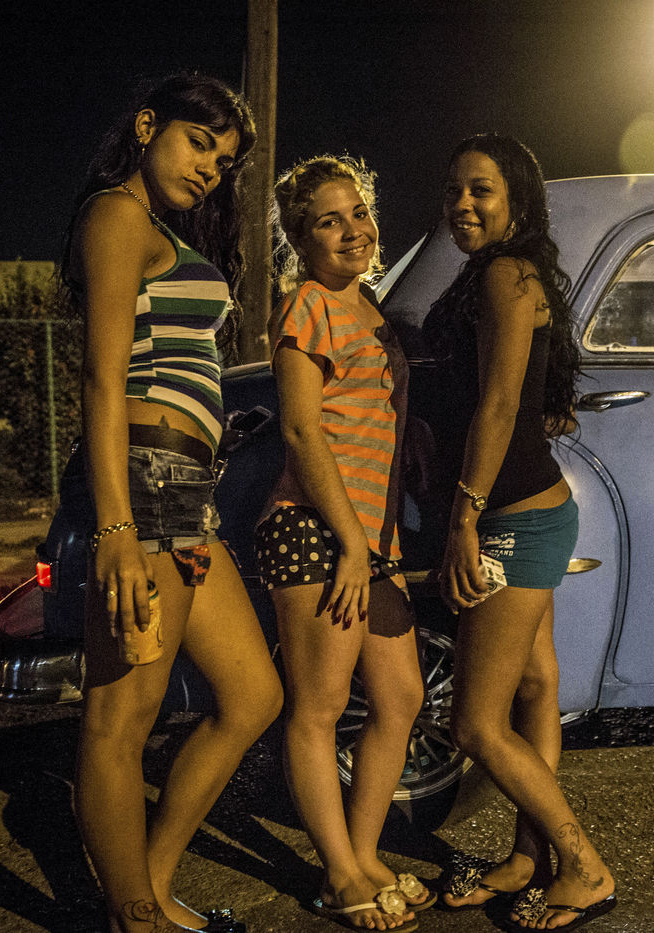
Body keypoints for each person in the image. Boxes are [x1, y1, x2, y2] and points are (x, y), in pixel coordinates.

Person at [60, 73, 283, 933]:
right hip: (145, 486)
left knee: (253, 694)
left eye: (223, 162)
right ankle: (135, 917)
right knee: (119, 721)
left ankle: (148, 887)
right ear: (148, 125)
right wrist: (116, 528)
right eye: (199, 143)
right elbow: (101, 378)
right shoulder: (116, 216)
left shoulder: (158, 229)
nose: (209, 170)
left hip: (186, 492)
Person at [424, 133, 617, 932]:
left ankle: (583, 864)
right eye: (454, 190)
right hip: (530, 509)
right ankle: (528, 859)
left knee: (475, 721)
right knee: (535, 687)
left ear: (517, 202)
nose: (462, 204)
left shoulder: (507, 274)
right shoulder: (505, 273)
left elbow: (500, 404)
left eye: (482, 190)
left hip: (511, 517)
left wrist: (463, 519)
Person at [258, 155, 430, 932]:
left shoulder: (370, 308)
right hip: (316, 530)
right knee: (320, 706)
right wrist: (353, 545)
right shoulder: (307, 305)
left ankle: (362, 854)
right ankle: (338, 873)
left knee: (401, 698)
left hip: (371, 540)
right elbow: (301, 430)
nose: (352, 229)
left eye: (357, 212)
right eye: (329, 221)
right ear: (302, 239)